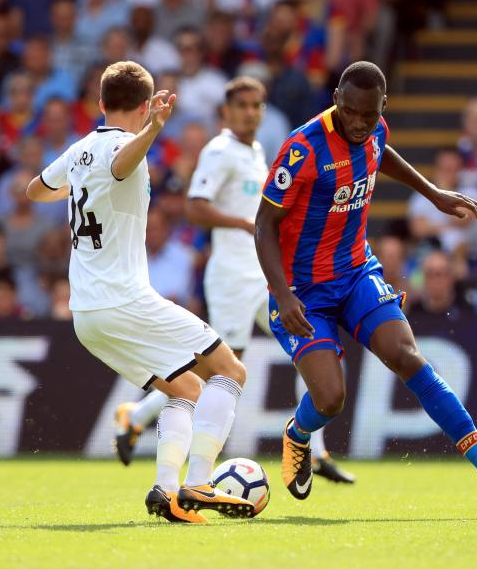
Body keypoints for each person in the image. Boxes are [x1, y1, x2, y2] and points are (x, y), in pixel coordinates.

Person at [255, 61, 477, 507]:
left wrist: (434, 194)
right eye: (351, 114)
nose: (360, 124)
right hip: (303, 291)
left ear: (382, 106)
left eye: (369, 115)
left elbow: (381, 151)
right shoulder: (302, 149)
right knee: (329, 399)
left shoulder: (375, 129)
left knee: (408, 358)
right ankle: (298, 431)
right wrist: (282, 294)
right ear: (337, 102)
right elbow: (264, 224)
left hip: (356, 272)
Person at [25, 61, 253, 524]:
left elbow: (34, 190)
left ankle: (165, 491)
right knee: (230, 369)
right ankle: (199, 482)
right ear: (146, 105)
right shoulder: (125, 148)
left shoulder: (79, 149)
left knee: (185, 388)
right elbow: (122, 163)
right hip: (125, 300)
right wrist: (150, 132)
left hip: (86, 313)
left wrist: (77, 187)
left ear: (101, 103)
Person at [115, 77, 355, 484]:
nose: (250, 112)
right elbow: (194, 207)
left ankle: (313, 451)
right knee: (219, 370)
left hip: (264, 278)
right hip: (230, 279)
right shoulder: (219, 151)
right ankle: (136, 415)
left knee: (312, 345)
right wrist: (242, 224)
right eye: (242, 105)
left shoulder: (259, 151)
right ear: (226, 111)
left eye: (257, 105)